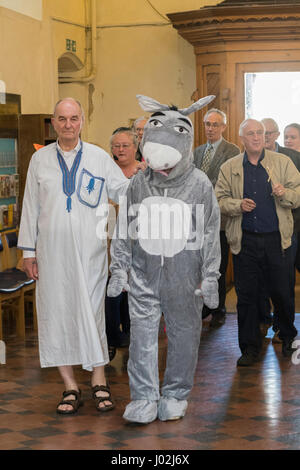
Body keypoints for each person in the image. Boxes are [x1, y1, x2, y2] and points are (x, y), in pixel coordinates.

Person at [108, 93, 220, 424]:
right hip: (143, 276)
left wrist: (210, 275)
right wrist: (119, 269)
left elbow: (210, 231)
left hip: (185, 279)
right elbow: (124, 228)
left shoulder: (199, 184)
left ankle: (175, 393)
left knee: (185, 336)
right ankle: (143, 397)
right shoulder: (139, 183)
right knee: (141, 338)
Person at [17, 97, 130, 414]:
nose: (68, 124)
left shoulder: (98, 157)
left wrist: (151, 183)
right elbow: (30, 207)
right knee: (57, 313)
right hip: (51, 254)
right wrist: (28, 251)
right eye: (62, 119)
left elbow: (122, 190)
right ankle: (69, 385)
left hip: (91, 254)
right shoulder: (40, 160)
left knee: (93, 312)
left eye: (74, 118)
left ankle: (98, 379)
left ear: (82, 121)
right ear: (53, 122)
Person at [215, 118, 300, 366]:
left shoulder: (282, 163)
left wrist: (286, 194)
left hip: (277, 240)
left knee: (283, 293)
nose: (256, 137)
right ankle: (249, 348)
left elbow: (298, 194)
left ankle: (287, 338)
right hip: (245, 241)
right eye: (250, 133)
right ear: (241, 138)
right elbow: (219, 199)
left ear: (265, 137)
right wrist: (237, 205)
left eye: (260, 133)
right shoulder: (229, 167)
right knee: (247, 297)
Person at [194, 108, 240, 327]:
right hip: (198, 219)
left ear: (223, 126)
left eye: (215, 124)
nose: (210, 128)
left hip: (220, 218)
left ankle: (218, 306)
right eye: (207, 124)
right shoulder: (197, 151)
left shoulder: (232, 151)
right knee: (200, 263)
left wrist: (203, 189)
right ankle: (204, 304)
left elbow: (225, 183)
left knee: (218, 264)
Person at [261, 118, 300, 342]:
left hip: (291, 227)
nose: (263, 138)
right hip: (263, 230)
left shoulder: (292, 157)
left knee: (284, 281)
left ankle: (283, 327)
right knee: (265, 280)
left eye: (267, 134)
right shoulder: (251, 158)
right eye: (259, 133)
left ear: (274, 135)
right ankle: (264, 320)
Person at [105, 128, 139, 361]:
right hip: (107, 236)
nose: (120, 150)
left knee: (133, 290)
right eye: (116, 146)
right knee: (111, 288)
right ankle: (111, 337)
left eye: (125, 145)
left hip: (138, 238)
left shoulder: (145, 171)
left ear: (136, 147)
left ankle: (130, 333)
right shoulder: (106, 170)